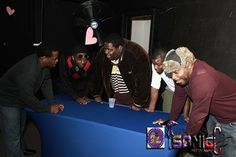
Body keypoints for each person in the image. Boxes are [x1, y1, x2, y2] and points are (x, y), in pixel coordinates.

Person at [153, 47, 236, 157]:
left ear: (188, 66)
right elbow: (179, 97)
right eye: (171, 73)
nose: (173, 77)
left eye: (176, 72)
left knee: (229, 153)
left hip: (232, 120)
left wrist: (185, 138)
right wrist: (170, 120)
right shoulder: (184, 76)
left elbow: (198, 115)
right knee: (216, 150)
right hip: (214, 115)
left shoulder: (203, 79)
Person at [0, 45, 64, 157]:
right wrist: (49, 109)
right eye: (54, 58)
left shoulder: (44, 65)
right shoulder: (29, 71)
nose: (57, 60)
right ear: (43, 58)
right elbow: (28, 98)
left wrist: (52, 103)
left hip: (21, 97)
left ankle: (21, 149)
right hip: (8, 99)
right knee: (12, 136)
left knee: (21, 128)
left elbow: (46, 82)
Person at [92, 33, 152, 111]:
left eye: (110, 50)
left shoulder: (136, 54)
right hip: (115, 96)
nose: (106, 52)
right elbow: (97, 75)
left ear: (120, 48)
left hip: (132, 97)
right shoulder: (102, 54)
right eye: (105, 49)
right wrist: (96, 94)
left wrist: (138, 103)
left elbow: (143, 81)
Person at [145, 49, 191, 122]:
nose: (156, 67)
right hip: (171, 90)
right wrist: (151, 109)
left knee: (189, 119)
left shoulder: (175, 65)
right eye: (154, 64)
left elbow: (185, 94)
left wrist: (186, 115)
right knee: (168, 117)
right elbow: (154, 89)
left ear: (166, 63)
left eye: (159, 65)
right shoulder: (156, 65)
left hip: (189, 93)